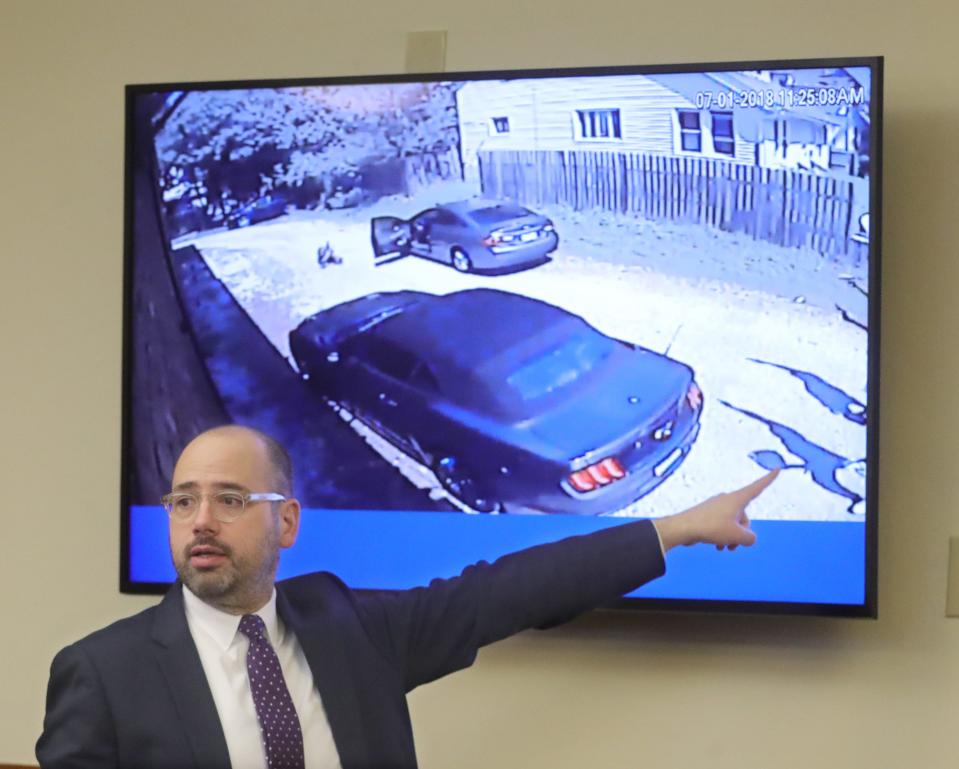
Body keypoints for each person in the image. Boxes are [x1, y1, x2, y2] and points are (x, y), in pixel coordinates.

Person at [36, 425, 777, 769]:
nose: (200, 520)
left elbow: (506, 592)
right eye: (182, 500)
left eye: (230, 498)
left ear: (285, 520)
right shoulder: (105, 673)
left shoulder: (348, 625)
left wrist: (675, 527)